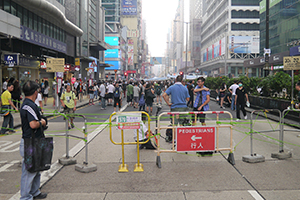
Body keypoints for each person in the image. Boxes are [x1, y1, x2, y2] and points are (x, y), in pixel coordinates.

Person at [19, 80, 47, 200]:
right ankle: (25, 197)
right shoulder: (29, 105)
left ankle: (35, 192)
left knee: (36, 169)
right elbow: (33, 124)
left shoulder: (29, 104)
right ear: (35, 92)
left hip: (34, 141)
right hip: (30, 142)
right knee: (29, 171)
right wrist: (43, 122)